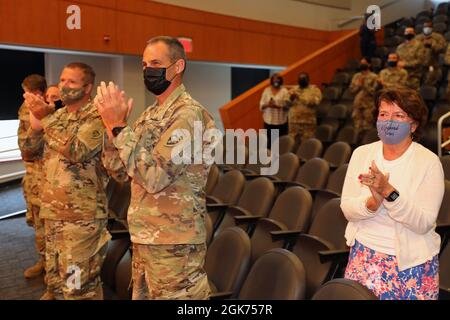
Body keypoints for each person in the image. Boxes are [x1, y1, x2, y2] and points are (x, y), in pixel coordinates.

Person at [97, 36, 217, 300]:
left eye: (155, 63)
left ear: (178, 67)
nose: (147, 70)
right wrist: (111, 130)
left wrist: (119, 128)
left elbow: (155, 177)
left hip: (174, 243)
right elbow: (118, 170)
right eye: (143, 64)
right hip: (146, 237)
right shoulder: (149, 115)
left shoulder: (188, 115)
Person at [341, 87, 444, 300]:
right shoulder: (362, 154)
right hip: (364, 256)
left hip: (411, 265)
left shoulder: (429, 162)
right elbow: (347, 208)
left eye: (398, 116)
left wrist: (389, 193)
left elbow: (423, 222)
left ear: (413, 125)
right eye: (383, 114)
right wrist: (373, 202)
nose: (389, 121)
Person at [22, 62, 111, 300]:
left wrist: (46, 119)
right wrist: (35, 126)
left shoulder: (97, 117)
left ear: (87, 87)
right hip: (53, 214)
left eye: (71, 81)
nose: (64, 86)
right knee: (56, 280)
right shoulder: (57, 116)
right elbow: (29, 152)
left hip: (81, 220)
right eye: (62, 80)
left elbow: (77, 150)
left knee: (78, 286)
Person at [17, 74, 48, 280]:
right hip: (33, 178)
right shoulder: (25, 109)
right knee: (39, 227)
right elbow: (25, 147)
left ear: (37, 93)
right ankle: (45, 264)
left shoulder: (51, 112)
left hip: (52, 184)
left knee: (57, 236)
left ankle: (55, 276)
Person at [288, 72, 322, 142]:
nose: (302, 81)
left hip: (308, 123)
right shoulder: (293, 90)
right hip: (294, 122)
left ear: (308, 80)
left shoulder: (315, 90)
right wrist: (290, 98)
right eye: (300, 79)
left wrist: (299, 97)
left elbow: (314, 102)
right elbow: (285, 102)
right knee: (292, 144)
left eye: (304, 79)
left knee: (307, 144)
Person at [259, 74, 289, 149]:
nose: (276, 81)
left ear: (280, 81)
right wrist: (268, 104)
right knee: (269, 144)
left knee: (279, 145)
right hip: (269, 122)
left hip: (281, 123)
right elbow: (261, 106)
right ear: (272, 81)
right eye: (274, 79)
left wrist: (278, 106)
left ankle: (279, 160)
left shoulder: (284, 91)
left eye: (278, 79)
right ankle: (270, 159)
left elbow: (287, 107)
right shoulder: (266, 90)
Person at [349, 58, 378, 130]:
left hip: (368, 105)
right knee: (357, 126)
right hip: (358, 104)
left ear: (369, 64)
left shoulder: (374, 77)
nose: (362, 65)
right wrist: (358, 85)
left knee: (367, 126)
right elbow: (351, 90)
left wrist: (364, 85)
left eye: (364, 63)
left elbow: (374, 92)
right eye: (361, 63)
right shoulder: (357, 76)